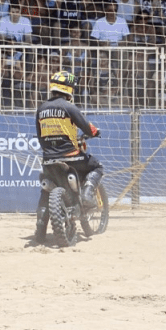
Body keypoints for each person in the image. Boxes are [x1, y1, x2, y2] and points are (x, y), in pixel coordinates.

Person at [34, 71, 104, 242]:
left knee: (46, 193)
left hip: (49, 160)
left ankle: (40, 231)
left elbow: (40, 136)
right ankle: (87, 195)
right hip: (72, 158)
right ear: (69, 89)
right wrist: (96, 131)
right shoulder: (69, 107)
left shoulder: (41, 109)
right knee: (97, 166)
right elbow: (87, 128)